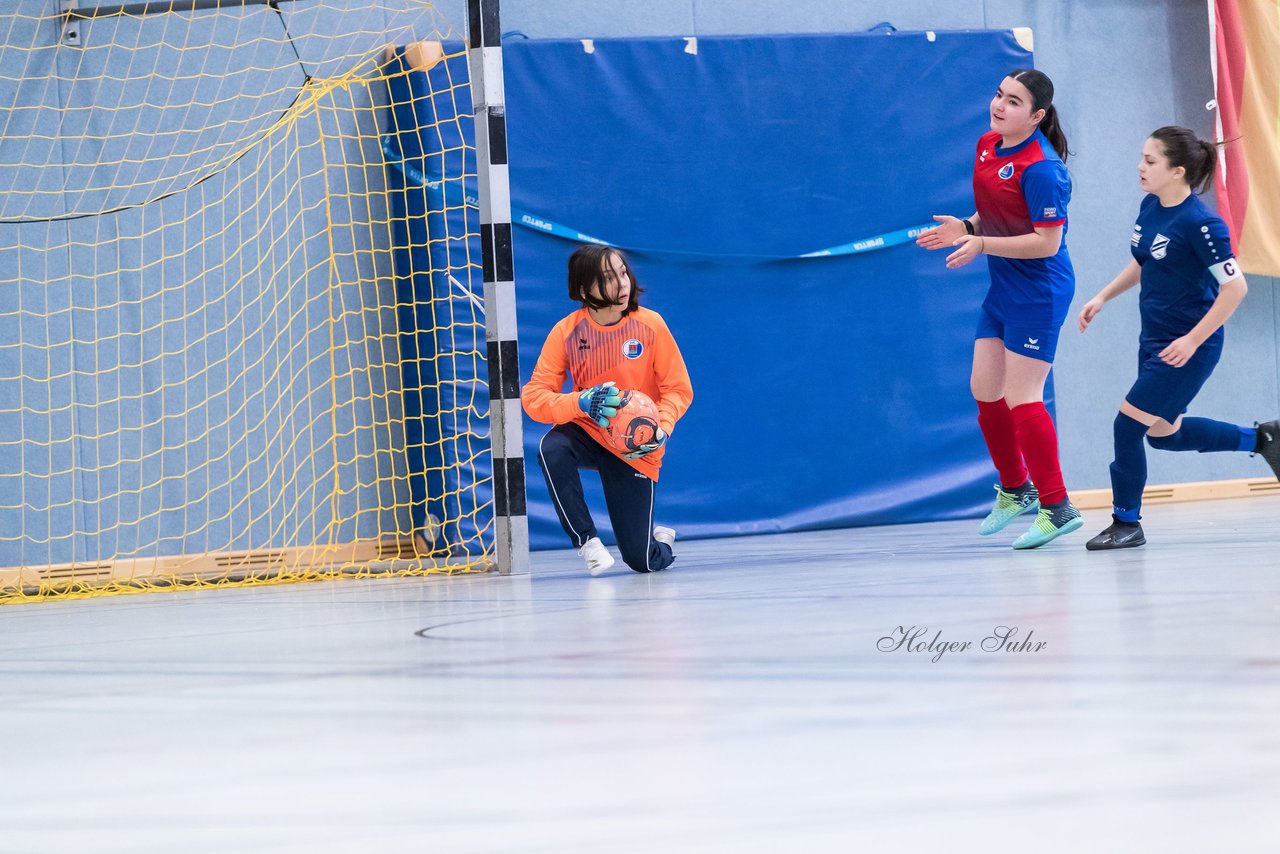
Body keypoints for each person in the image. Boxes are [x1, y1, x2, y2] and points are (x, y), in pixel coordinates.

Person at [1077, 126, 1280, 549]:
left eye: (1150, 161)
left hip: (1191, 346)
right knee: (1164, 435)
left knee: (1127, 426)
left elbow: (1235, 288)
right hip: (1154, 340)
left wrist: (1190, 341)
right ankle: (1263, 438)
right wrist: (1103, 296)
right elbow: (1143, 262)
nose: (1140, 166)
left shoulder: (1202, 224)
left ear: (1178, 171)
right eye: (1142, 157)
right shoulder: (1150, 206)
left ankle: (1126, 522)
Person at [916, 68, 1083, 549]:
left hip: (1040, 290)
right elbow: (997, 211)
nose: (999, 105)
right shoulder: (988, 145)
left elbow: (1047, 243)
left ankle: (1058, 507)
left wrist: (981, 243)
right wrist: (966, 228)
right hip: (1005, 286)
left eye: (1013, 101)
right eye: (998, 94)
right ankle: (1016, 490)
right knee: (985, 389)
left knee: (1023, 395)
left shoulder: (1044, 169)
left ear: (1037, 116)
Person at [522, 245, 694, 575]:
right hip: (588, 431)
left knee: (643, 561)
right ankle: (587, 541)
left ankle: (663, 542)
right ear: (585, 289)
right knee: (551, 447)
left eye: (623, 272)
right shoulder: (566, 332)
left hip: (634, 446)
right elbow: (534, 397)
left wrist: (663, 428)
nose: (622, 282)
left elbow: (678, 390)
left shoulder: (651, 325)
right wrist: (579, 402)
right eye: (608, 277)